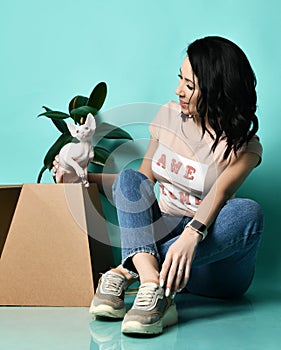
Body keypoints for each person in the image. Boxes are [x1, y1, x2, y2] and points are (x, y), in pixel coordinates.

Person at [54, 36, 264, 336]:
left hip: (209, 262)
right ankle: (153, 286)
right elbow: (141, 182)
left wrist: (192, 235)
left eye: (190, 85)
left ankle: (130, 270)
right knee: (130, 178)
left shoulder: (245, 147)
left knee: (249, 213)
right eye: (180, 78)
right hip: (163, 244)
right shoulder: (168, 116)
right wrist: (83, 178)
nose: (179, 89)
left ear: (217, 91)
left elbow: (221, 193)